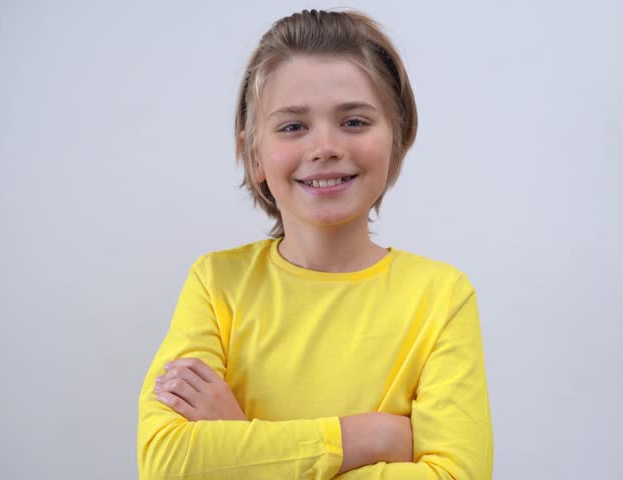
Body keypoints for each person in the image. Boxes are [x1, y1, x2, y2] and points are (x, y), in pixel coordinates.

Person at [137, 8, 493, 479]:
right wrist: (368, 437)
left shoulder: (441, 297)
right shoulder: (215, 284)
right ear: (253, 153)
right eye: (292, 126)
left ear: (398, 138)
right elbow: (167, 464)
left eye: (354, 122)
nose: (325, 146)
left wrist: (242, 441)